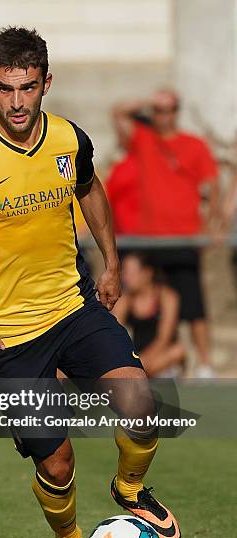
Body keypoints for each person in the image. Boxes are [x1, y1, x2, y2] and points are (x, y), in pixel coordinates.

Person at [0, 27, 181, 538]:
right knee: (57, 461)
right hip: (6, 335)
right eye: (6, 89)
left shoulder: (68, 138)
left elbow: (89, 188)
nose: (17, 101)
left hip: (73, 307)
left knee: (141, 403)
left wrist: (110, 261)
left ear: (46, 84)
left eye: (29, 88)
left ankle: (129, 489)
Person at [112, 90, 219, 378]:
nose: (163, 115)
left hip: (183, 237)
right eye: (158, 110)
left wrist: (211, 227)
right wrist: (148, 99)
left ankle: (205, 363)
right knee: (132, 298)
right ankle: (122, 360)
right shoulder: (145, 139)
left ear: (177, 111)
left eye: (168, 109)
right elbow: (119, 112)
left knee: (193, 305)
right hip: (149, 239)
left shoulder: (194, 145)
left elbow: (212, 185)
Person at [113, 252, 185, 377]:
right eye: (124, 272)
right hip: (137, 356)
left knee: (178, 351)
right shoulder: (125, 299)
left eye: (131, 273)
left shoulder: (167, 296)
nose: (125, 278)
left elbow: (164, 339)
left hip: (161, 356)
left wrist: (142, 364)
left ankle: (138, 373)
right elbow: (114, 335)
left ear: (147, 273)